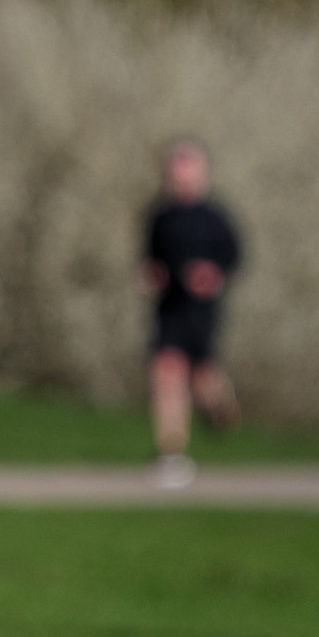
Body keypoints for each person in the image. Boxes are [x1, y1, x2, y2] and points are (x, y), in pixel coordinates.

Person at [141, 138, 243, 487]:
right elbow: (150, 259)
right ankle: (171, 455)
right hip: (169, 309)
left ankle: (223, 408)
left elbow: (234, 257)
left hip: (202, 312)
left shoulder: (216, 218)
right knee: (166, 373)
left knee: (202, 381)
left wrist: (213, 274)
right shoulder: (160, 217)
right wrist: (151, 275)